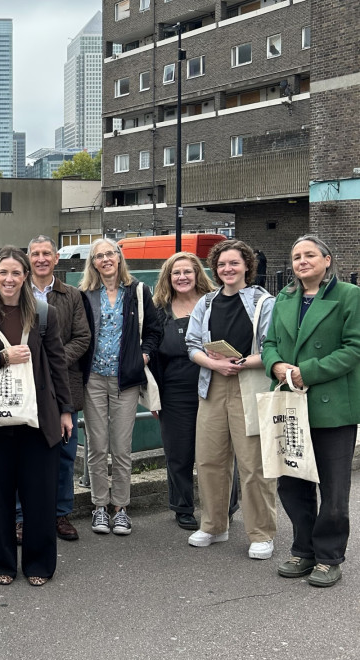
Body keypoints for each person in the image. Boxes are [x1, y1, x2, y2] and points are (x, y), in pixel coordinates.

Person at [0, 246, 74, 586]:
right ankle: (3, 563)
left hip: (38, 417)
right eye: (3, 273)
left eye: (16, 273)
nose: (9, 279)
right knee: (1, 493)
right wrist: (2, 358)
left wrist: (66, 410)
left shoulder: (44, 313)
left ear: (25, 277)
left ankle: (39, 564)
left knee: (40, 495)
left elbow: (57, 364)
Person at [263, 235, 360, 587]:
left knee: (333, 488)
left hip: (333, 405)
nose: (302, 261)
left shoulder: (349, 295)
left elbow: (355, 348)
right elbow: (269, 342)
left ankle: (329, 556)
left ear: (327, 260)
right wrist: (274, 366)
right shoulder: (285, 297)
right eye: (296, 256)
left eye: (309, 255)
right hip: (291, 402)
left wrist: (309, 371)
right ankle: (303, 549)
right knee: (292, 482)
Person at [185, 239, 277, 559]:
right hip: (212, 385)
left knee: (253, 464)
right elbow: (193, 345)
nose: (228, 269)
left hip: (248, 385)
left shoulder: (263, 302)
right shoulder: (206, 302)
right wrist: (213, 363)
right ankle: (214, 525)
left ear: (247, 266)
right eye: (222, 264)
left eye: (234, 263)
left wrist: (239, 363)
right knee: (209, 459)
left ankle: (261, 532)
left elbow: (271, 349)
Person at [80, 239, 161, 537]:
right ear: (93, 263)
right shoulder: (85, 295)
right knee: (97, 446)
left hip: (125, 379)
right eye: (98, 256)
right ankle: (100, 506)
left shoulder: (137, 291)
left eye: (109, 253)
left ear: (119, 257)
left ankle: (121, 508)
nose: (105, 259)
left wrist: (145, 354)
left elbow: (154, 329)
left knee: (122, 447)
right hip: (94, 379)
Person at [16, 235, 92, 544]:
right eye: (35, 253)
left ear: (56, 258)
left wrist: (52, 362)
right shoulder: (16, 293)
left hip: (63, 386)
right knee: (23, 455)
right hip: (23, 385)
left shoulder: (71, 295)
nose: (41, 258)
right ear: (28, 258)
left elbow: (83, 337)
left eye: (47, 253)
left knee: (63, 454)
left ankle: (60, 515)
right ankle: (21, 517)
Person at [152, 252, 228, 530]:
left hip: (215, 386)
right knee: (178, 452)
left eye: (187, 271)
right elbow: (152, 352)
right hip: (174, 390)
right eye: (176, 273)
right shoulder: (159, 309)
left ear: (198, 274)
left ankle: (223, 507)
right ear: (168, 278)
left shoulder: (215, 303)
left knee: (219, 452)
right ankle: (182, 507)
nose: (182, 277)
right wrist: (154, 396)